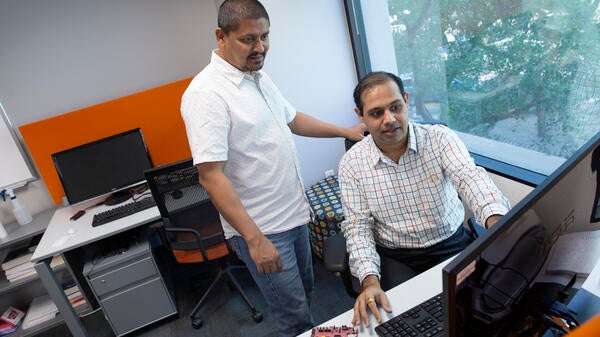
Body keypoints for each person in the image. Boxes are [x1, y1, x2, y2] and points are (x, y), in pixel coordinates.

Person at [180, 1, 364, 336]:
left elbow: (292, 119)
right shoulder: (206, 95)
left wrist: (345, 131)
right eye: (249, 39)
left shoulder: (255, 76)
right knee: (292, 318)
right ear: (221, 36)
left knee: (305, 297)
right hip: (264, 230)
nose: (261, 47)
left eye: (265, 36)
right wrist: (254, 240)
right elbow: (210, 176)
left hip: (293, 215)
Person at [338, 71, 511, 327]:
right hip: (397, 256)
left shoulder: (440, 139)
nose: (390, 119)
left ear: (406, 101)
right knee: (409, 324)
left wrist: (498, 223)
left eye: (396, 107)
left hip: (450, 244)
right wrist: (369, 280)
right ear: (360, 115)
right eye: (376, 113)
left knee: (481, 314)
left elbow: (470, 178)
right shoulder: (351, 165)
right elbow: (358, 227)